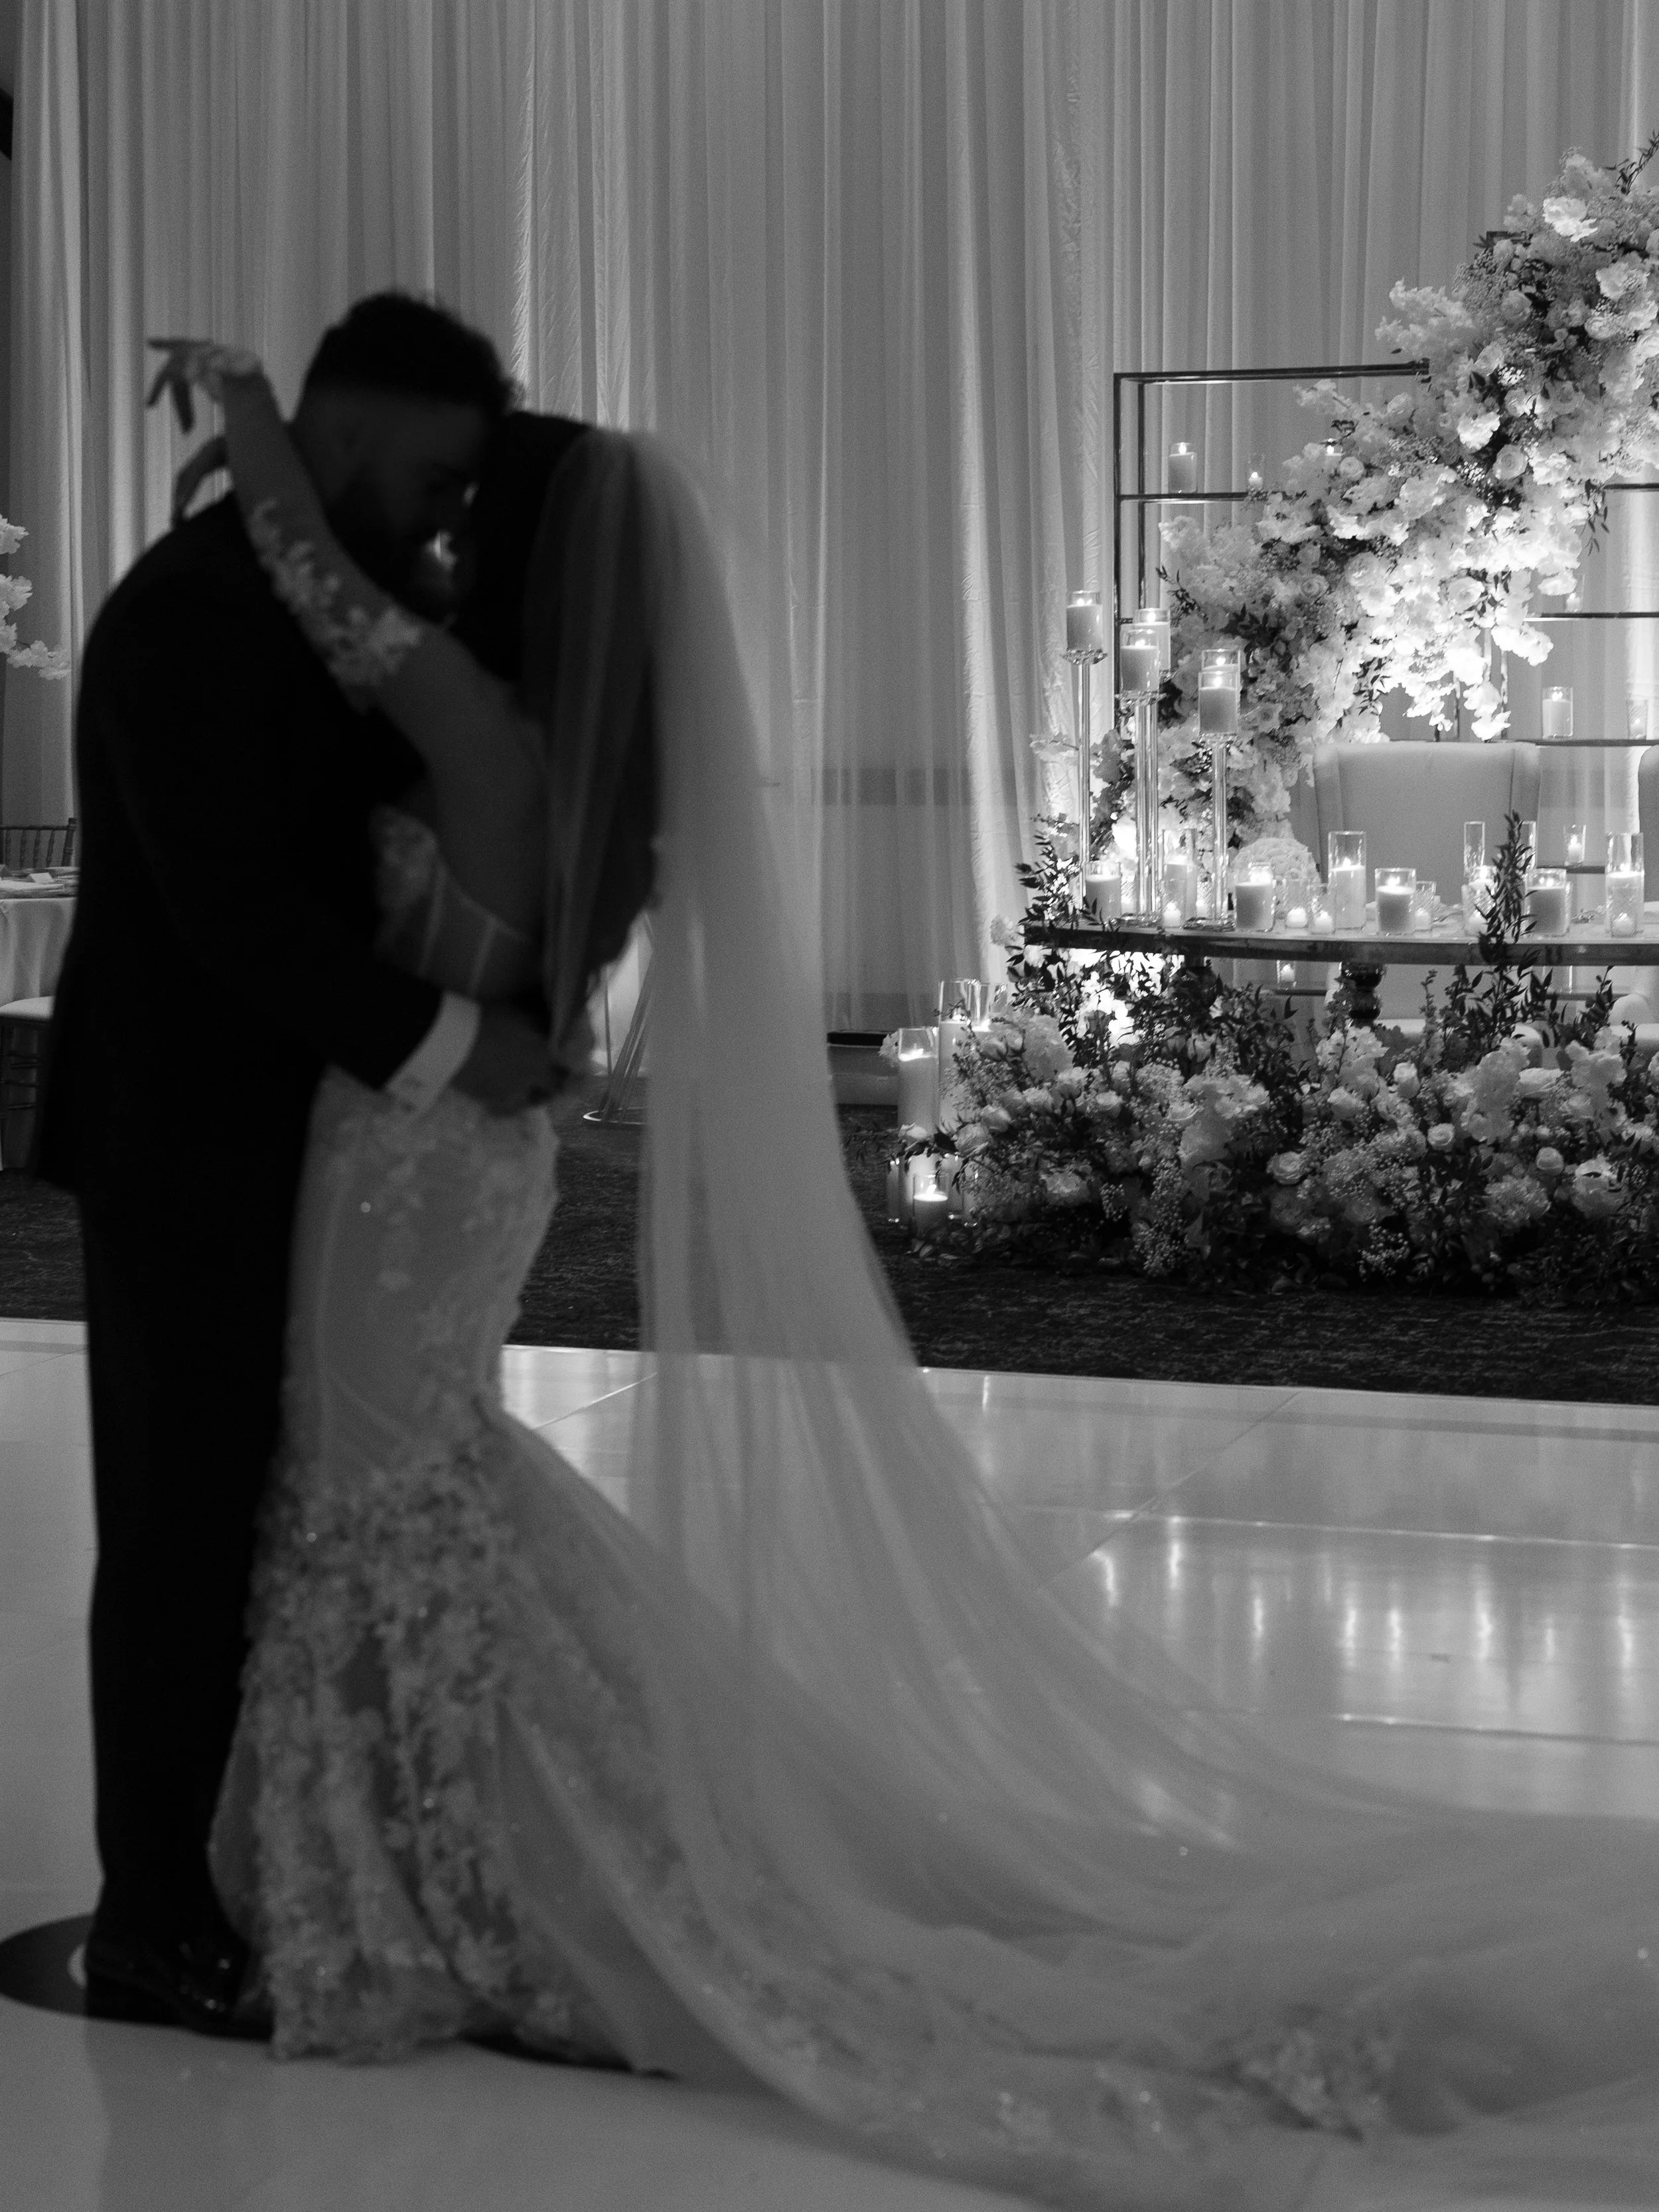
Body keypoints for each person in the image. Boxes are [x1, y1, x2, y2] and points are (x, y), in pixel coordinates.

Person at [146, 337, 1659, 2209]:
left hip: (407, 1171)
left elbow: (323, 605)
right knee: (418, 1486)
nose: (442, 533)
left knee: (377, 1489)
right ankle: (438, 1826)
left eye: (470, 510)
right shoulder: (581, 762)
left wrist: (260, 441)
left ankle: (455, 1858)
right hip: (454, 1168)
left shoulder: (476, 722)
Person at [35, 294, 574, 2037]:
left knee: (282, 1515)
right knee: (183, 1520)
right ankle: (148, 1915)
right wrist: (449, 1049)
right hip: (189, 1137)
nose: (440, 517)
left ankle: (300, 1853)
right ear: (333, 443)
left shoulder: (366, 610)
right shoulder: (182, 617)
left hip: (345, 1154)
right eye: (424, 474)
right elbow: (232, 918)